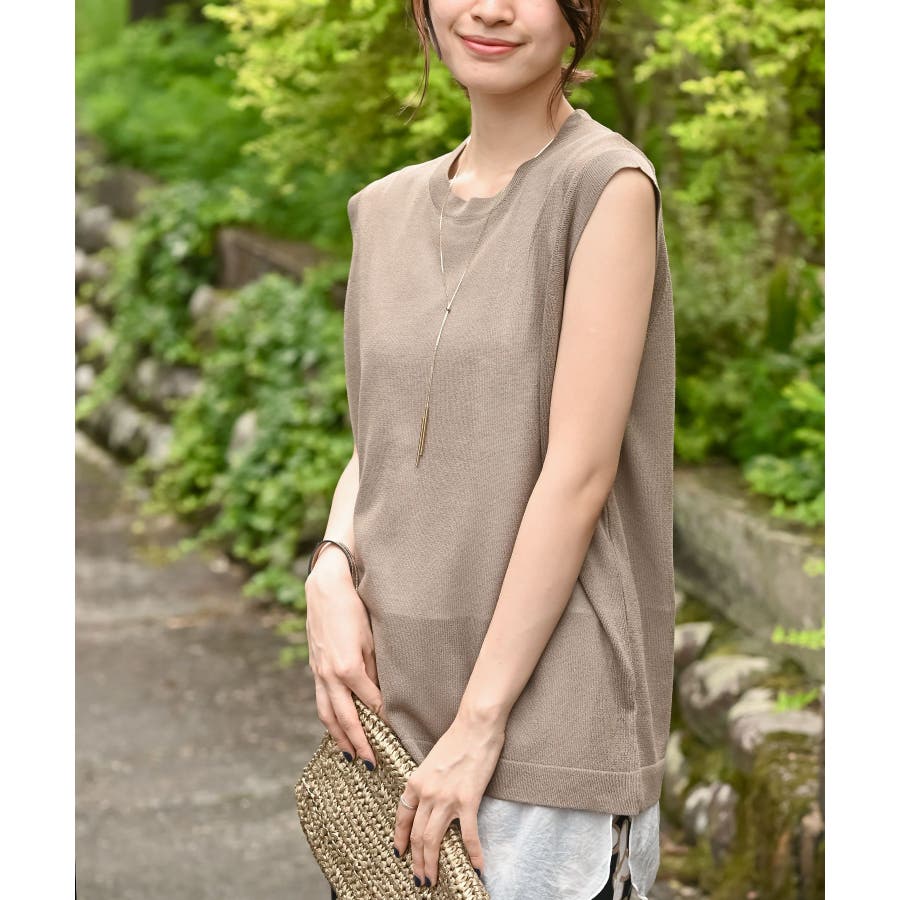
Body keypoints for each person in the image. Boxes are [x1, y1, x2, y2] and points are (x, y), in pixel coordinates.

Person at [305, 2, 675, 898]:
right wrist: (331, 565)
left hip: (544, 716)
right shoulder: (383, 210)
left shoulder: (606, 186)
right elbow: (380, 436)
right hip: (394, 700)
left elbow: (579, 473)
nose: (492, 9)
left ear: (578, 15)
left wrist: (479, 726)